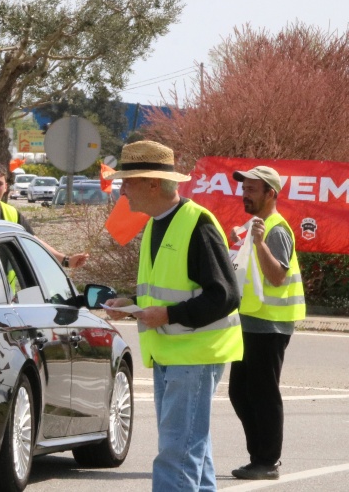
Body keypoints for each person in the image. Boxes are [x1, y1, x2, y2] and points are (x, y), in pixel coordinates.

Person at [103, 140, 242, 492]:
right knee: (192, 449)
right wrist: (132, 303)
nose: (123, 191)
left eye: (128, 182)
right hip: (175, 355)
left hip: (194, 355)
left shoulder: (197, 224)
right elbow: (169, 288)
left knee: (178, 452)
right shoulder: (155, 224)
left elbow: (225, 295)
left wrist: (166, 314)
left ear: (153, 184)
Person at [228, 165, 304, 481]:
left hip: (271, 324)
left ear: (270, 193)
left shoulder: (276, 230)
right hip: (251, 322)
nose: (244, 194)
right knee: (239, 392)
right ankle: (258, 456)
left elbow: (277, 276)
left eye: (251, 189)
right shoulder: (256, 226)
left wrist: (258, 244)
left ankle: (267, 461)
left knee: (262, 392)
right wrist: (238, 242)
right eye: (243, 188)